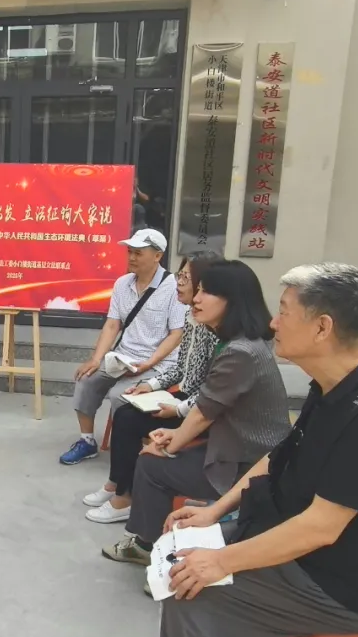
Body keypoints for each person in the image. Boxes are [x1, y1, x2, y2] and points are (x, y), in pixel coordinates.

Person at [115, 263, 358, 637]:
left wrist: (221, 561)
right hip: (307, 548)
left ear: (322, 327)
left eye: (284, 312)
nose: (274, 322)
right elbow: (277, 457)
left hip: (344, 584)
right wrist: (214, 513)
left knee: (191, 593)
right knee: (183, 551)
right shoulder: (334, 388)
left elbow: (320, 529)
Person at [102, 260, 290, 563]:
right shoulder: (237, 342)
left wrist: (171, 444)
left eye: (206, 292)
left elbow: (204, 412)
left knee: (151, 464)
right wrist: (174, 433)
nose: (196, 298)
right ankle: (135, 519)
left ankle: (147, 547)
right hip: (235, 446)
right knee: (139, 431)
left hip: (248, 463)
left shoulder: (240, 351)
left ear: (233, 300)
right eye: (196, 288)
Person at [83, 252, 222, 522]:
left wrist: (178, 409)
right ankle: (116, 485)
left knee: (128, 419)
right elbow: (182, 368)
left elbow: (212, 391)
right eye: (179, 275)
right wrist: (150, 385)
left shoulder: (213, 329)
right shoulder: (192, 317)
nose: (178, 283)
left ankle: (124, 499)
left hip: (204, 410)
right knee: (126, 411)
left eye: (186, 278)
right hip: (189, 397)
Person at [60, 229, 188, 465]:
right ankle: (87, 441)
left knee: (120, 396)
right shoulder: (122, 283)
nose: (131, 258)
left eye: (138, 253)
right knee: (86, 380)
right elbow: (112, 324)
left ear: (157, 256)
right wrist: (96, 359)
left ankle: (127, 453)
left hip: (158, 363)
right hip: (122, 358)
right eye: (130, 252)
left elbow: (176, 334)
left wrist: (148, 363)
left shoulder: (172, 288)